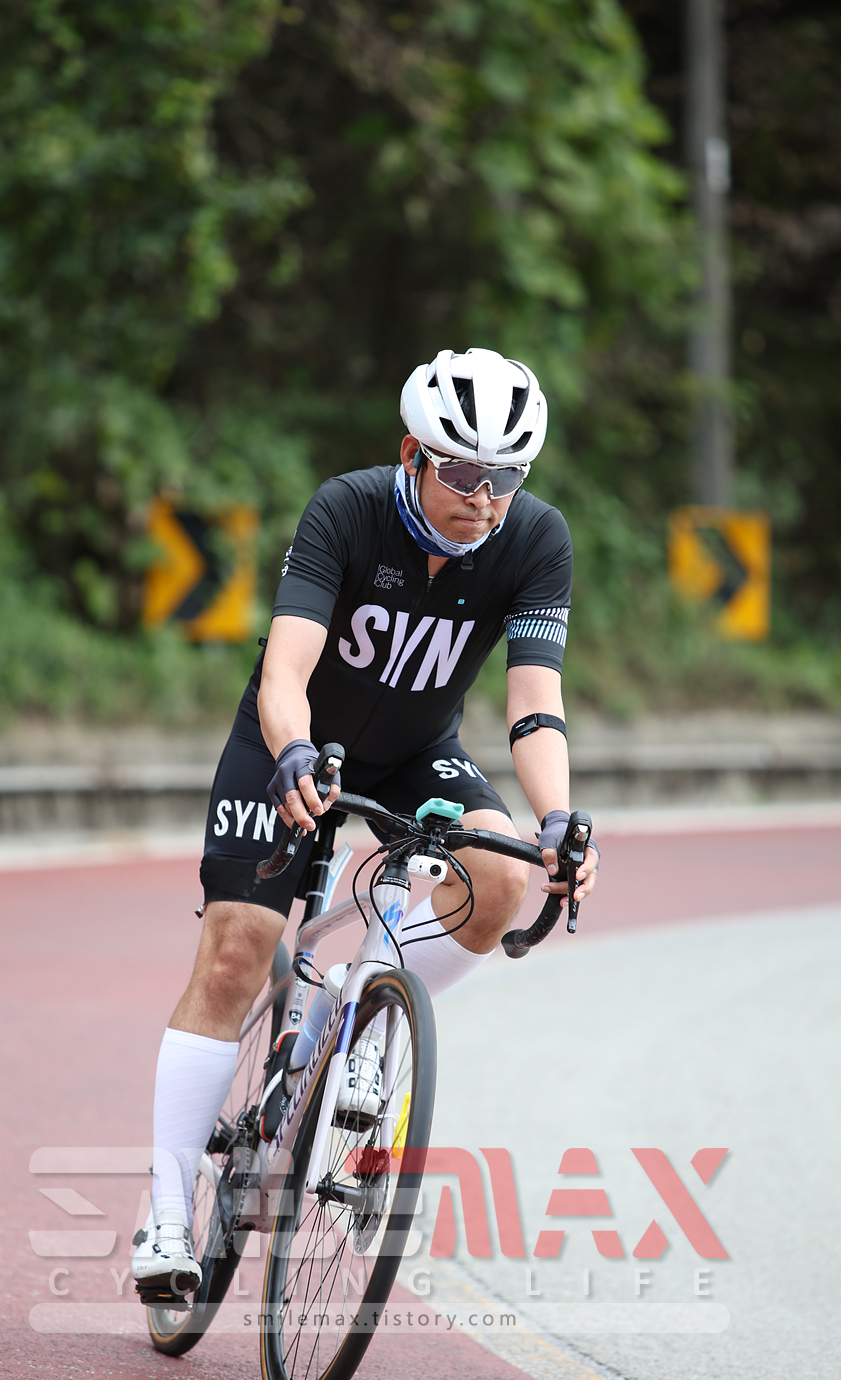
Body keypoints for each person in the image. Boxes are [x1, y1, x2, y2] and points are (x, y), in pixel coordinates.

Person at [132, 347, 600, 1295]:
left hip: (419, 750)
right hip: (291, 742)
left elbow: (534, 706)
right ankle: (168, 1216)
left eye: (505, 477)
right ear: (413, 455)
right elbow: (285, 672)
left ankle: (362, 1002)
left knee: (503, 878)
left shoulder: (536, 538)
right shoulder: (347, 509)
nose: (483, 498)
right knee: (236, 951)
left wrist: (556, 819)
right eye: (461, 473)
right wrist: (295, 753)